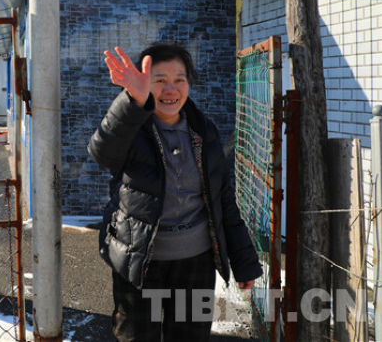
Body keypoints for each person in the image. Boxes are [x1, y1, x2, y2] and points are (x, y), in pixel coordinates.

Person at [87, 41, 262, 342]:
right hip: (139, 261)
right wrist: (132, 101)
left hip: (195, 264)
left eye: (179, 80)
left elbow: (222, 198)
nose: (171, 90)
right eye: (159, 80)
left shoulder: (204, 131)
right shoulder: (132, 129)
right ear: (144, 84)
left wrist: (244, 262)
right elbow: (102, 153)